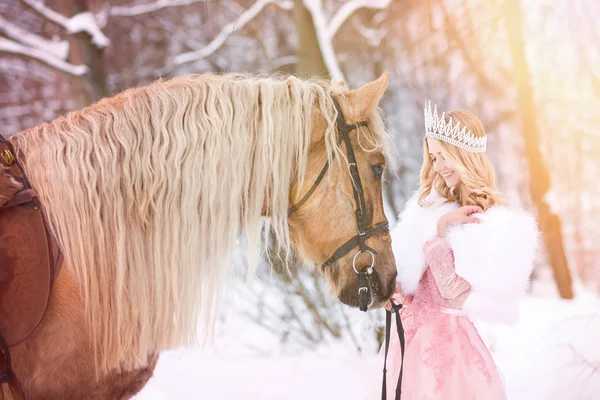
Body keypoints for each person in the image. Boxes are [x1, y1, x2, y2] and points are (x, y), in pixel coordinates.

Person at [379, 103, 539, 399]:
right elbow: (419, 279)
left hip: (448, 348)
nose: (438, 166)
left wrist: (441, 233)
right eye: (434, 157)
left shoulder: (489, 219)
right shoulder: (428, 206)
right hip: (411, 338)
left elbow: (454, 293)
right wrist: (398, 292)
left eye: (444, 156)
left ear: (465, 155)